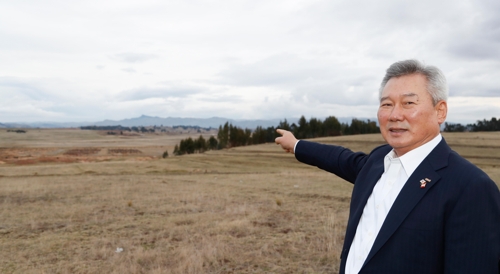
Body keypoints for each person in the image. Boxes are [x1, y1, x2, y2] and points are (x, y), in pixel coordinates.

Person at [275, 59, 500, 273]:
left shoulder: (471, 188)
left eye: (408, 103)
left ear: (440, 111)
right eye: (387, 104)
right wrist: (296, 145)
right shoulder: (377, 161)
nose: (394, 115)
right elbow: (340, 159)